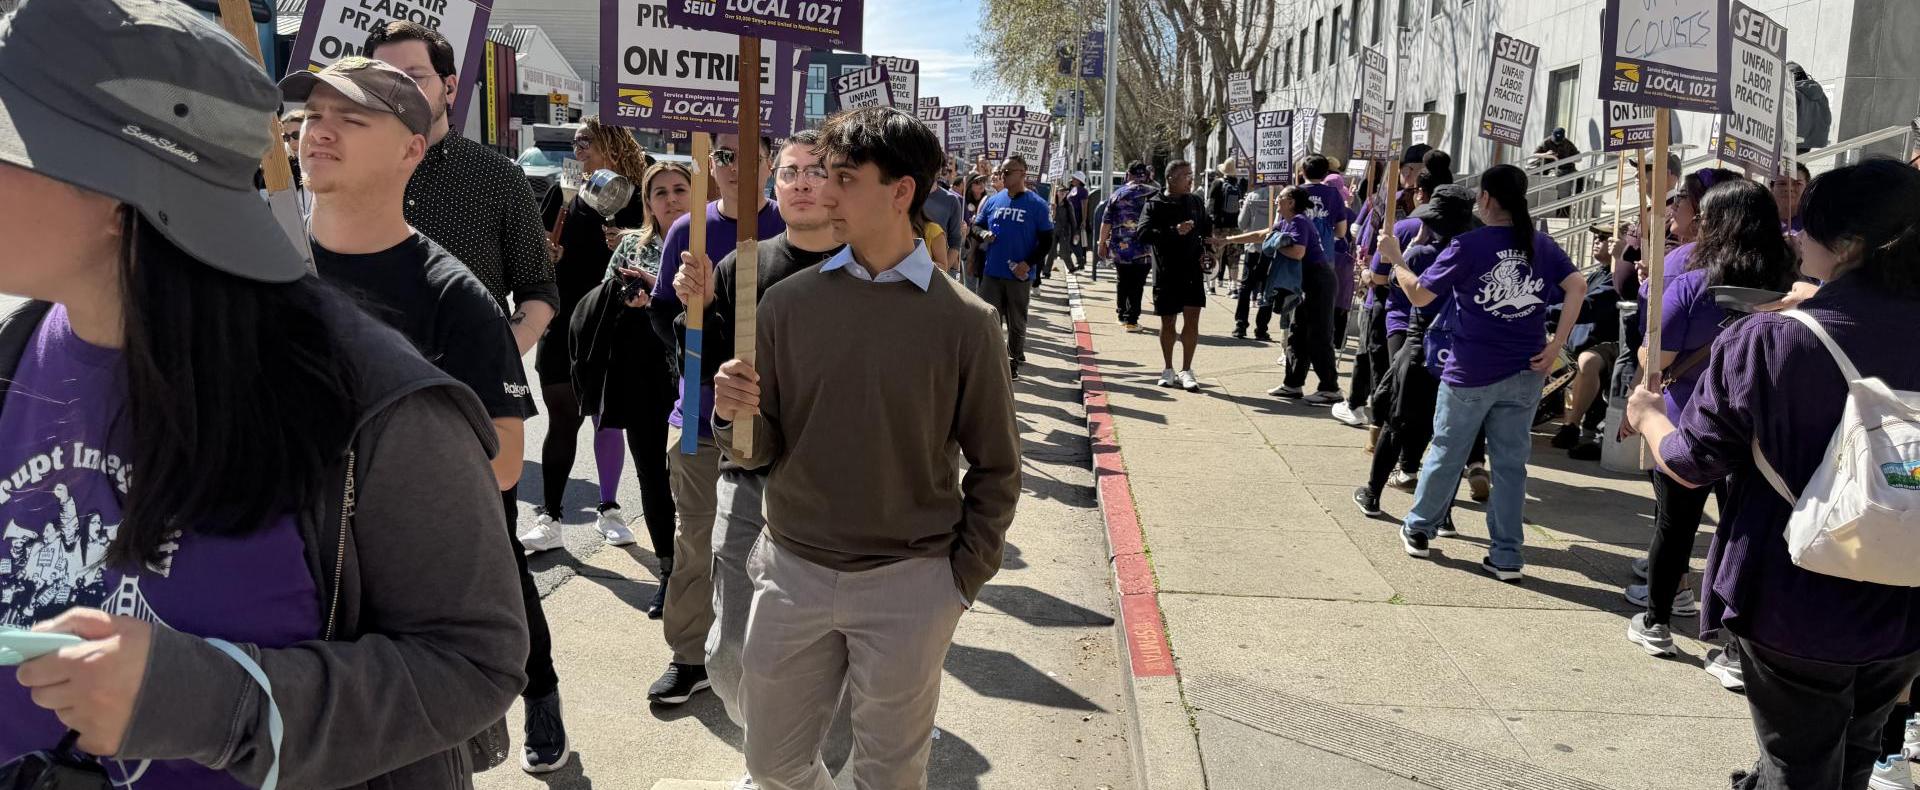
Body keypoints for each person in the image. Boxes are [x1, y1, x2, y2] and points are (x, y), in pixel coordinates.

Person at [0, 2, 527, 784]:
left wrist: (214, 702)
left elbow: (474, 662)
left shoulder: (373, 401)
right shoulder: (15, 354)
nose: (323, 131)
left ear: (115, 192)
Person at [709, 106, 1021, 790]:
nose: (824, 192)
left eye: (845, 177)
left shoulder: (966, 324)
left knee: (888, 776)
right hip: (792, 571)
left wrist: (957, 582)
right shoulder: (785, 306)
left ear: (901, 191)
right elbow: (758, 450)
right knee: (772, 764)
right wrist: (732, 414)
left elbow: (997, 468)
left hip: (910, 583)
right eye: (820, 176)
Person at [281, 55, 573, 774]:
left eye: (350, 119)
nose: (320, 132)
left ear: (414, 148)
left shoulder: (455, 299)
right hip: (272, 606)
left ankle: (545, 700)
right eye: (311, 116)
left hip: (389, 640)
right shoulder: (259, 270)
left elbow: (504, 462)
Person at [1625, 159, 1920, 790]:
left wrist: (1650, 415)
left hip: (1796, 595)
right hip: (1906, 593)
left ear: (1845, 246)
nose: (1794, 237)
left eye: (1805, 225)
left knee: (1800, 765)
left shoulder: (1770, 340)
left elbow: (1689, 461)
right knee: (1854, 752)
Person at [669, 129, 844, 787]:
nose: (800, 181)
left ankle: (789, 765)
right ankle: (778, 754)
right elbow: (704, 381)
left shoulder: (871, 267)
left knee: (830, 656)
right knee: (730, 654)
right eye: (790, 171)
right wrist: (692, 319)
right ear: (773, 186)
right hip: (749, 480)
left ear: (838, 186)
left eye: (815, 171)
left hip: (836, 493)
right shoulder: (739, 268)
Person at [1621, 178, 1797, 671]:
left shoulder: (1694, 283)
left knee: (1674, 527)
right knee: (1744, 534)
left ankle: (1656, 621)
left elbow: (1657, 356)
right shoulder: (1794, 285)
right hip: (1764, 428)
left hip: (1689, 423)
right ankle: (1736, 649)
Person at [1381, 164, 1585, 580]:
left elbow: (1419, 295)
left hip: (1470, 370)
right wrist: (1555, 344)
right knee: (1511, 466)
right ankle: (1507, 554)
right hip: (1526, 369)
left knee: (1447, 452)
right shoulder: (1541, 244)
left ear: (1487, 199)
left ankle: (1420, 528)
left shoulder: (1469, 245)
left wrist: (1396, 260)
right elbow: (1577, 285)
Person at [647, 133, 785, 706]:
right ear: (711, 164)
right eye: (723, 155)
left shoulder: (792, 225)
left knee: (770, 549)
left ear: (770, 161)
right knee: (695, 541)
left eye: (747, 154)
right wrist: (687, 305)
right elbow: (662, 324)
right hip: (702, 418)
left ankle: (761, 657)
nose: (734, 166)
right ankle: (687, 656)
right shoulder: (689, 231)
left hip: (776, 425)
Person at [365, 21, 558, 357]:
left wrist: (496, 361)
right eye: (384, 78)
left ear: (449, 86)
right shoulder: (352, 171)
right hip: (368, 388)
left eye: (414, 76)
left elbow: (539, 290)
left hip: (473, 399)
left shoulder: (498, 176)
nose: (398, 90)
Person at [519, 118, 649, 554]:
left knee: (606, 416)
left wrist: (626, 242)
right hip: (564, 317)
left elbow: (657, 247)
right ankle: (550, 517)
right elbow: (540, 245)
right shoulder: (564, 190)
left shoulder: (636, 192)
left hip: (612, 318)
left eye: (586, 140)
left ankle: (609, 509)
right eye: (574, 141)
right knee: (563, 417)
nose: (578, 148)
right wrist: (549, 252)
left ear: (611, 142)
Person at [593, 162, 692, 618]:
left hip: (698, 380)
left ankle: (703, 574)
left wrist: (658, 288)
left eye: (679, 189)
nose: (670, 199)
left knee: (698, 481)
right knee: (652, 476)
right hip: (644, 377)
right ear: (648, 202)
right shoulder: (632, 245)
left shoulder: (711, 240)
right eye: (660, 192)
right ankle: (668, 574)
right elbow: (604, 300)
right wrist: (631, 296)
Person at [1351, 183, 1475, 517]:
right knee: (1445, 438)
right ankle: (1443, 513)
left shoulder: (1423, 255)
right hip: (1460, 355)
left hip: (1421, 347)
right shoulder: (1474, 254)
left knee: (1397, 423)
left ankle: (1373, 494)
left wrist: (1397, 257)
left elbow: (1407, 288)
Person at [1271, 155, 1350, 404]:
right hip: (1318, 265)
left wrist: (1273, 244)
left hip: (1315, 271)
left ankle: (1330, 386)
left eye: (1280, 199)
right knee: (1299, 328)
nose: (1278, 201)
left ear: (1302, 171)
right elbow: (1341, 231)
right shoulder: (1333, 195)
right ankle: (1292, 383)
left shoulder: (1295, 201)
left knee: (1317, 331)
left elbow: (1286, 241)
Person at [973, 155, 1054, 380]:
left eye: (1008, 172)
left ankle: (1013, 361)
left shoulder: (1037, 205)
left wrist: (1027, 264)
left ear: (1023, 174)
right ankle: (992, 360)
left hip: (1019, 275)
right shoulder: (993, 201)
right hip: (992, 272)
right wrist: (983, 234)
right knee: (988, 319)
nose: (1003, 176)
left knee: (1016, 322)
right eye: (1002, 172)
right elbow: (976, 226)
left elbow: (1047, 240)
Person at [1136, 160, 1212, 391]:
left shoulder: (1196, 202)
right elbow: (1143, 233)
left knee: (1192, 320)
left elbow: (1206, 232)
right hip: (1167, 270)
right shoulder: (1154, 204)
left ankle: (1186, 369)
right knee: (1168, 321)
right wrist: (1173, 231)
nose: (1190, 179)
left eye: (1191, 175)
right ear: (1170, 179)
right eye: (1185, 175)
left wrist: (1209, 254)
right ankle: (1168, 368)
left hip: (1192, 269)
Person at [1100, 162, 1159, 329]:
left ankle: (1121, 315)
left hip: (1120, 247)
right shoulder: (1154, 193)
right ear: (1146, 175)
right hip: (1144, 248)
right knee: (1138, 283)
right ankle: (1132, 319)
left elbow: (1106, 222)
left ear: (1128, 174)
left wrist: (1101, 243)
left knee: (1123, 280)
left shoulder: (1118, 194)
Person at [1232, 184, 1275, 340]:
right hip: (1272, 250)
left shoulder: (1252, 197)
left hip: (1252, 249)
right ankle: (1261, 328)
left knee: (1245, 286)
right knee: (1267, 289)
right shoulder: (1283, 197)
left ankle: (1240, 325)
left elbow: (1242, 223)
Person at [1208, 159, 1248, 294]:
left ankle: (1211, 286)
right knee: (1234, 257)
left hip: (1219, 226)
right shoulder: (1240, 186)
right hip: (1235, 227)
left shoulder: (1217, 183)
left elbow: (1210, 205)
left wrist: (1210, 223)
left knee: (1216, 255)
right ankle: (1233, 288)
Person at [1789, 62, 1831, 152]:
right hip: (1810, 141)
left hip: (1794, 141)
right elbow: (1827, 117)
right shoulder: (1821, 94)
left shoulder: (1794, 93)